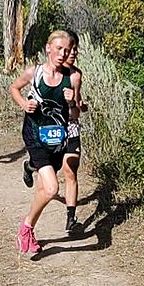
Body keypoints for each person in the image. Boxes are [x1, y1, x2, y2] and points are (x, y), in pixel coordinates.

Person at [9, 30, 81, 255]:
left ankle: (29, 231)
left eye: (67, 50)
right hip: (34, 134)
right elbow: (14, 88)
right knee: (51, 188)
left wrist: (71, 104)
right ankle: (26, 227)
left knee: (42, 188)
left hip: (57, 138)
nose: (63, 53)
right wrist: (23, 103)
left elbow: (76, 114)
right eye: (59, 49)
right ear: (48, 48)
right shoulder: (35, 72)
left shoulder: (73, 78)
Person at [60, 31, 88, 232]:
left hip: (70, 127)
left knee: (70, 170)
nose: (73, 53)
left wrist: (75, 104)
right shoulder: (46, 72)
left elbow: (76, 111)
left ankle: (71, 219)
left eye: (76, 49)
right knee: (49, 172)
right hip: (50, 128)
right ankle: (31, 166)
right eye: (70, 49)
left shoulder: (76, 75)